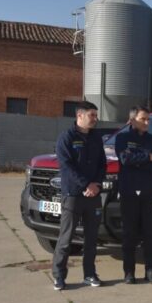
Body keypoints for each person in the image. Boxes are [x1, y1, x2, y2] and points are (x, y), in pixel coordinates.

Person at [52, 101, 107, 290]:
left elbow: (102, 164)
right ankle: (59, 276)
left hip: (93, 195)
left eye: (95, 115)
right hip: (73, 195)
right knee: (66, 238)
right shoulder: (66, 138)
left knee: (91, 239)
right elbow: (67, 167)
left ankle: (90, 274)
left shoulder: (96, 138)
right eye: (92, 115)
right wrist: (86, 184)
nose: (95, 119)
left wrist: (96, 185)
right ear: (80, 116)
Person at [113, 106, 152, 284]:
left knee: (151, 233)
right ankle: (129, 272)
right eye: (143, 119)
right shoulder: (122, 138)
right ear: (133, 119)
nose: (147, 122)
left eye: (148, 119)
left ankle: (151, 271)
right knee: (130, 234)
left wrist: (139, 159)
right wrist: (147, 157)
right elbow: (125, 160)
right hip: (129, 192)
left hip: (149, 192)